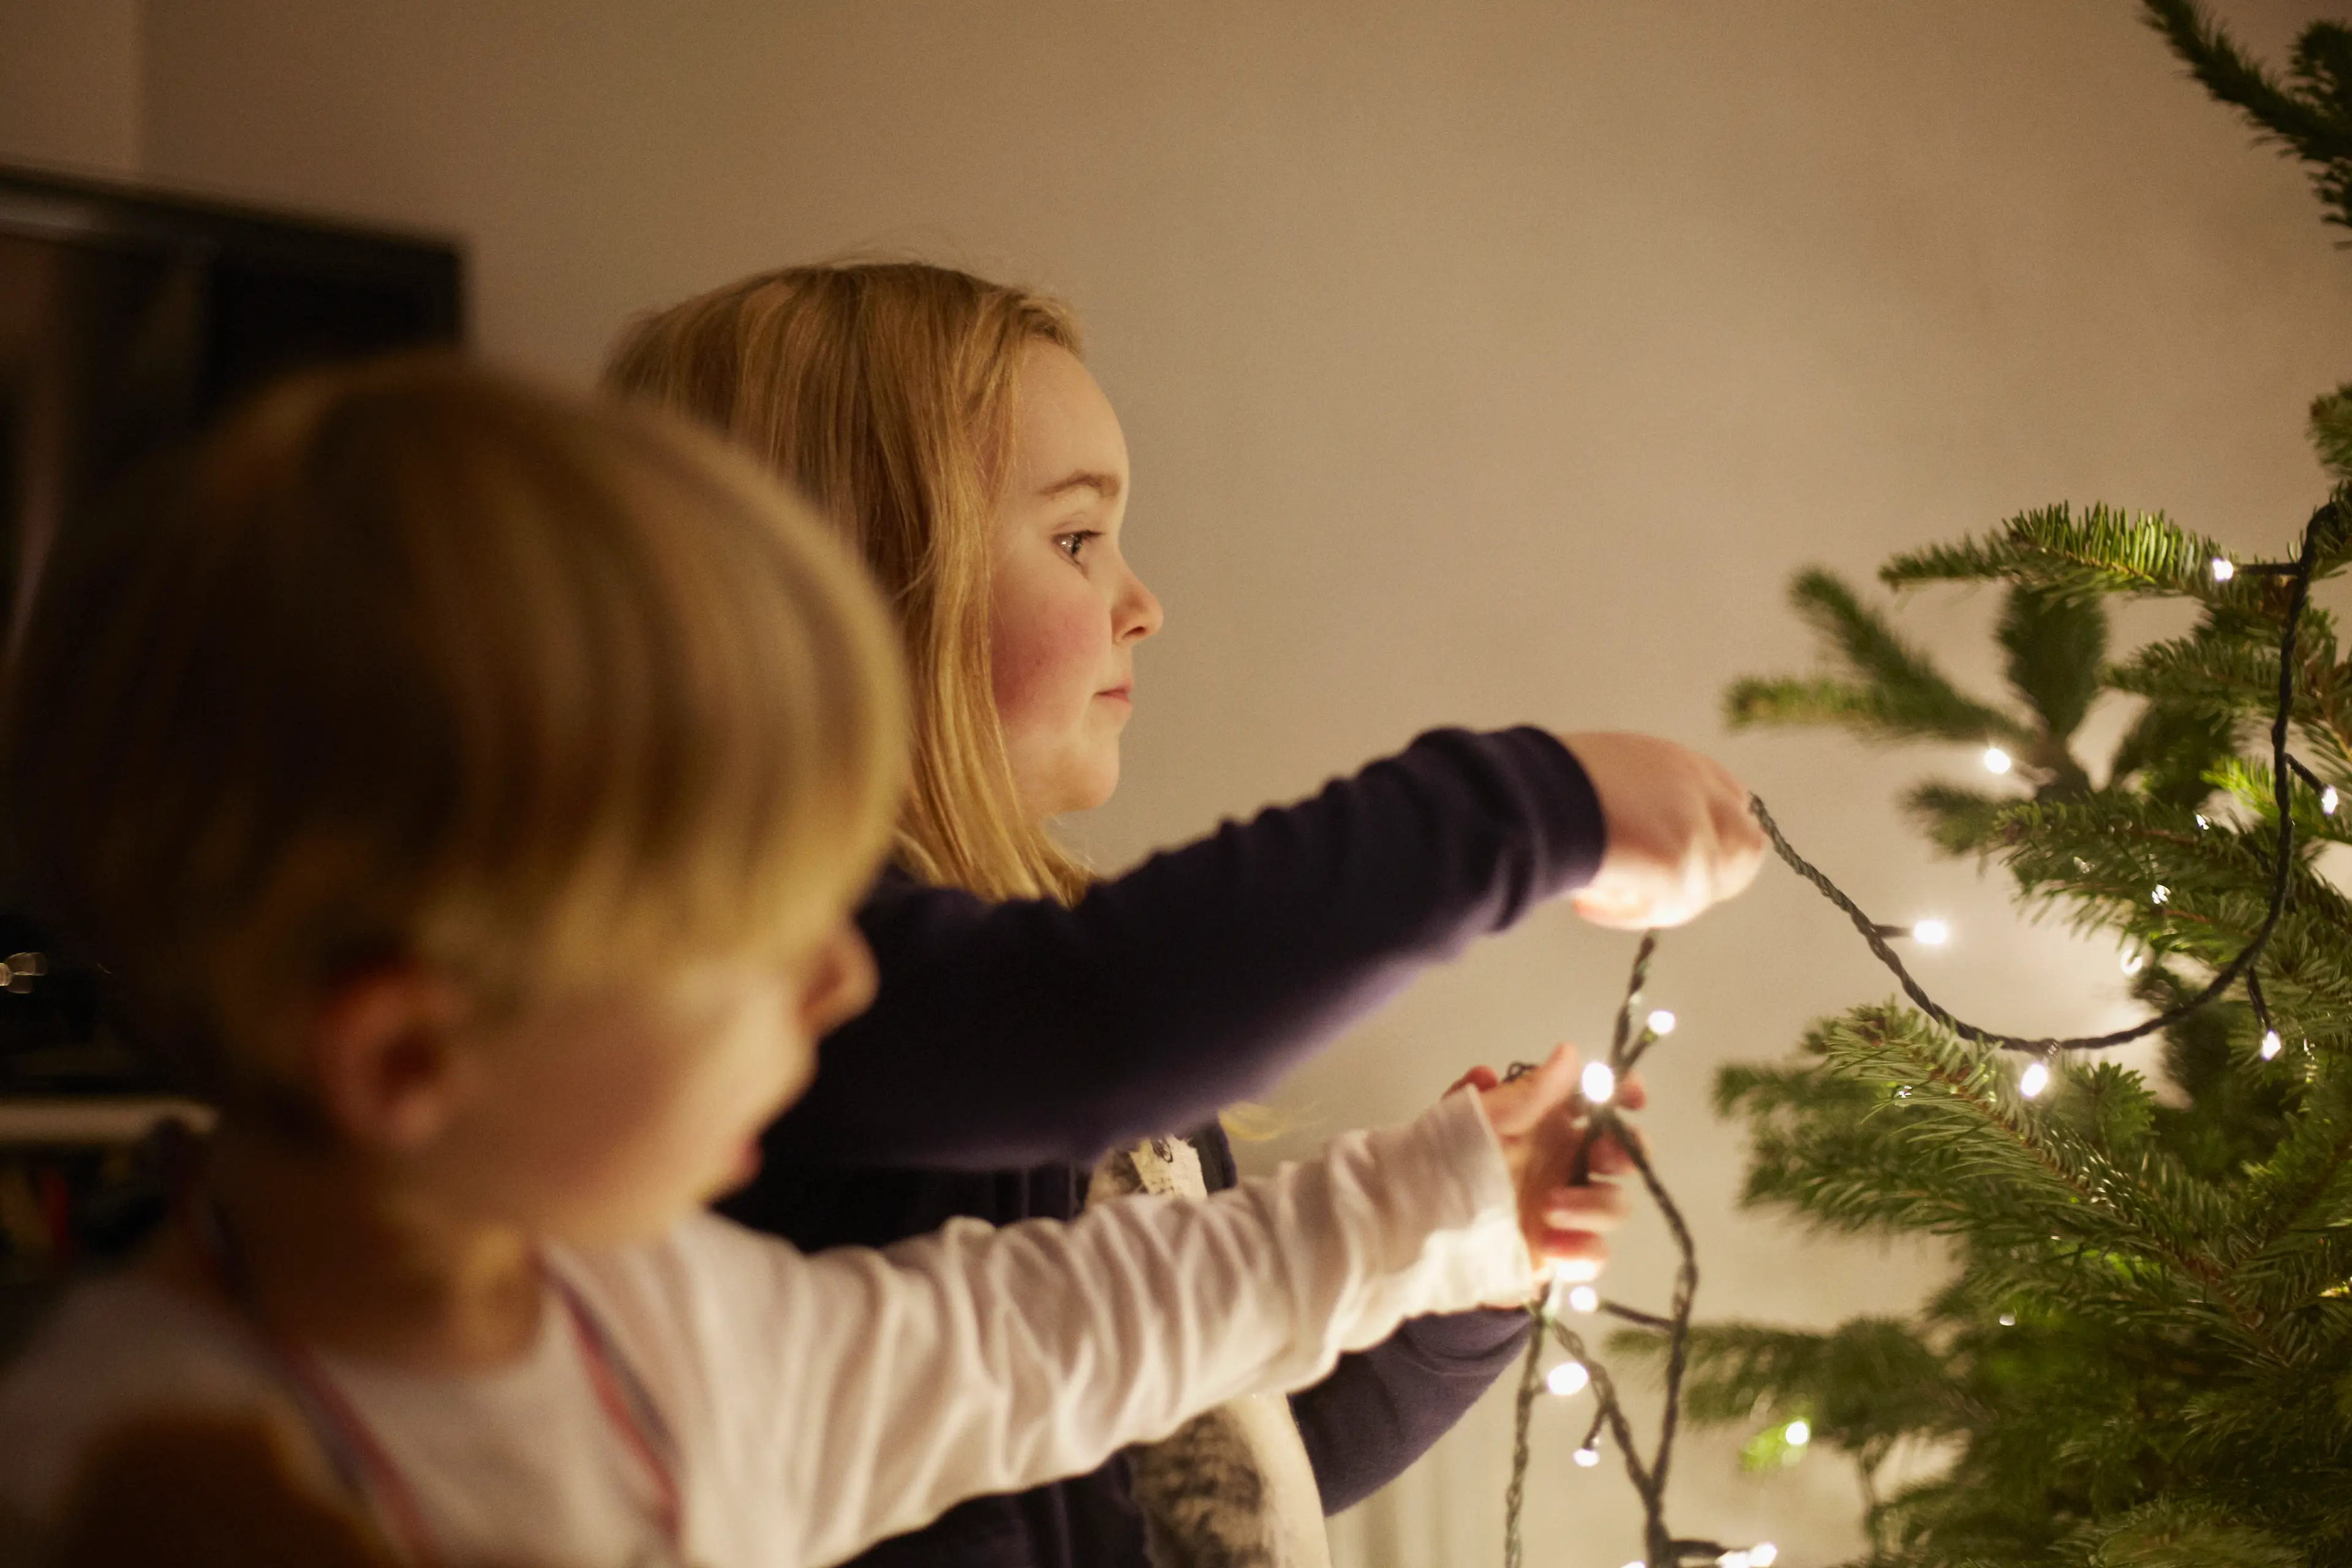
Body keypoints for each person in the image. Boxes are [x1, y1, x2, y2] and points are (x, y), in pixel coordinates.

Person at [0, 358, 1634, 1568]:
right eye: (755, 936)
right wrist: (1524, 809)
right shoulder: (115, 1480)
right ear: (409, 1059)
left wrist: (1448, 1208)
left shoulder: (660, 1331)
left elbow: (1051, 1346)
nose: (845, 983)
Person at [605, 262, 1762, 1567]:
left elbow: (1204, 1472)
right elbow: (1084, 1017)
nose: (1142, 605)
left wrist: (1463, 1273)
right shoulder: (783, 966)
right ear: (847, 591)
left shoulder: (1061, 1011)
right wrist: (1526, 804)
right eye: (1075, 540)